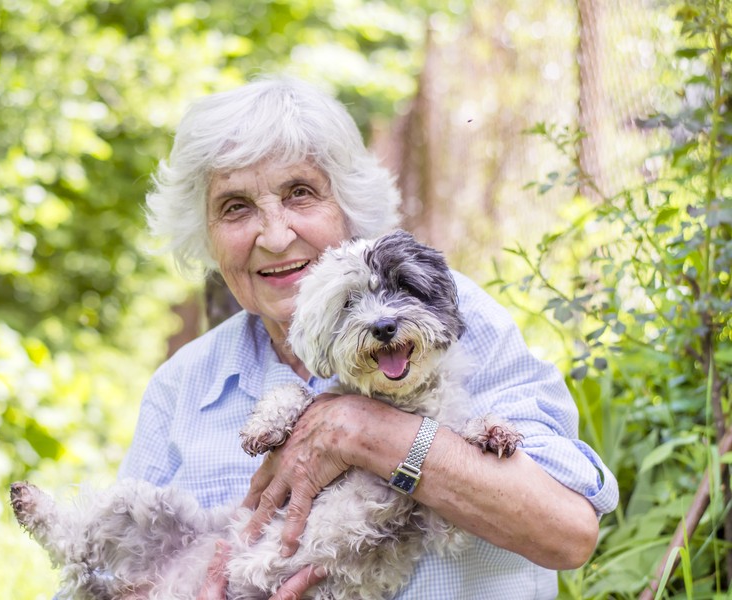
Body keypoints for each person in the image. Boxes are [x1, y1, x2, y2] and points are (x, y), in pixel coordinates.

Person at [118, 76, 618, 599]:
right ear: (206, 234)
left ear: (348, 206)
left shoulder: (450, 315)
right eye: (236, 207)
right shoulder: (185, 384)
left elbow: (567, 532)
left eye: (300, 193)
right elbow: (110, 578)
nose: (275, 235)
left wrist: (365, 431)